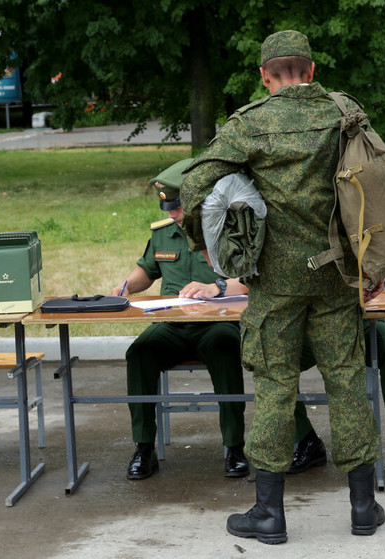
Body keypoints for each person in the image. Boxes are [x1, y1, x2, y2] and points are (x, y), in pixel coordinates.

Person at [181, 30, 383, 544]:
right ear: (311, 71)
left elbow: (194, 185)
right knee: (345, 381)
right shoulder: (344, 111)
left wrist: (209, 246)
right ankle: (363, 506)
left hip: (274, 281)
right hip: (338, 274)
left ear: (266, 77)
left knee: (274, 387)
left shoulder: (250, 123)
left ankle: (268, 514)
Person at [110, 158, 249, 480]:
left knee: (226, 348)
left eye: (178, 207)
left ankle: (234, 447)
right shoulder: (164, 234)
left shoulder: (227, 231)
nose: (172, 214)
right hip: (171, 324)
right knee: (140, 353)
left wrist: (215, 287)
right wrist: (126, 287)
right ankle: (144, 448)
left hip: (219, 324)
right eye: (168, 208)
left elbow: (251, 280)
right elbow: (146, 272)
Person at [292, 242, 385, 484]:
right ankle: (306, 439)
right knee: (273, 362)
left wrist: (377, 274)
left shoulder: (353, 207)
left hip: (355, 318)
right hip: (307, 325)